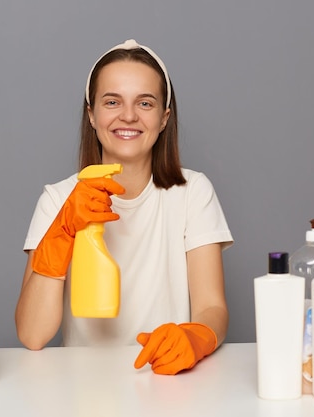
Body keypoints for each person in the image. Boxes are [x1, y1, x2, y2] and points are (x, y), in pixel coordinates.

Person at [15, 39, 233, 375]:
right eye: (112, 101)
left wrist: (195, 337)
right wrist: (62, 231)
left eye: (145, 103)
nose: (128, 115)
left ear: (164, 118)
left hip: (166, 378)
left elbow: (212, 306)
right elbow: (32, 334)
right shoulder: (57, 199)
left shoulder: (192, 192)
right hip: (78, 384)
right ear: (91, 114)